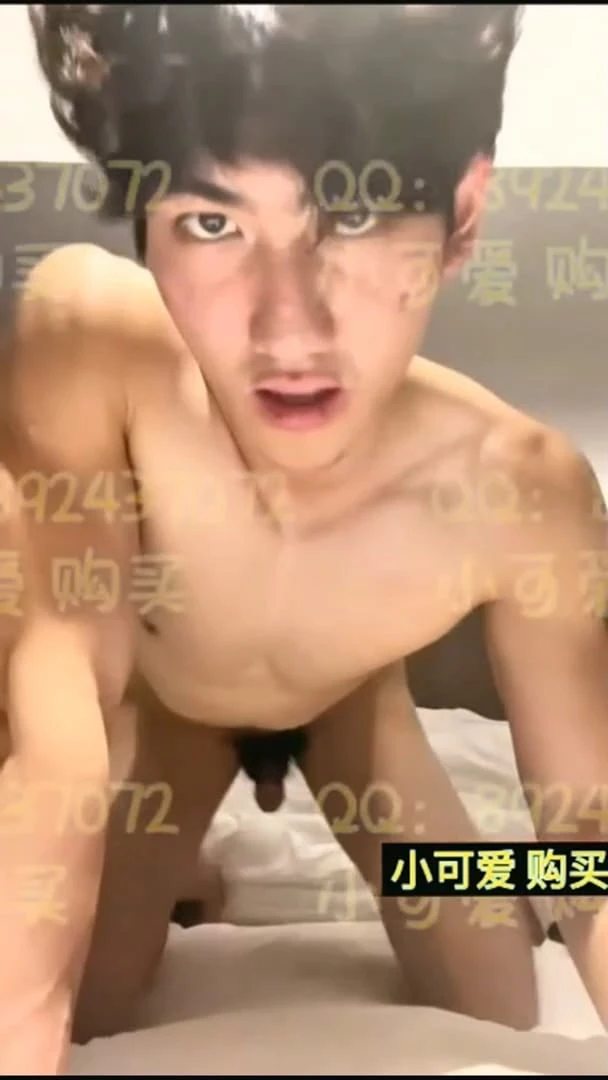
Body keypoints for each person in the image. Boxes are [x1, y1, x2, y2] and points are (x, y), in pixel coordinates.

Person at [1, 2, 606, 1071]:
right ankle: (194, 875)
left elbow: (586, 842)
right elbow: (61, 723)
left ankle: (368, 767)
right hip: (170, 708)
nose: (287, 330)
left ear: (463, 215)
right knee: (91, 995)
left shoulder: (527, 494)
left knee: (497, 996)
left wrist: (539, 878)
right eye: (212, 223)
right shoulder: (89, 336)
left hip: (352, 703)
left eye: (354, 216)